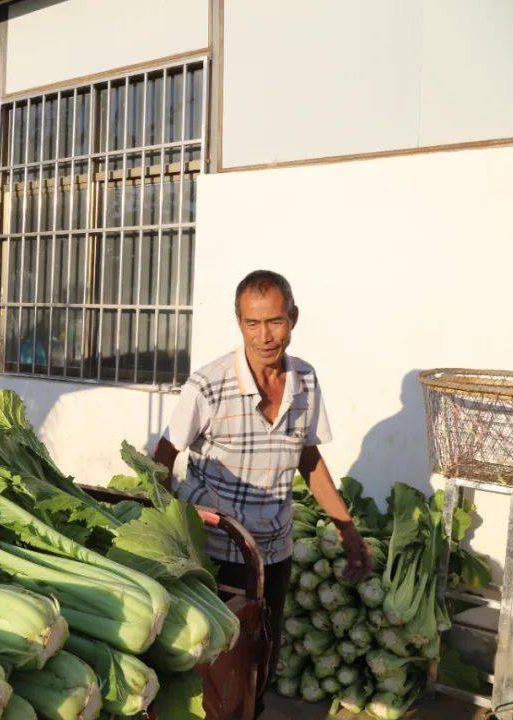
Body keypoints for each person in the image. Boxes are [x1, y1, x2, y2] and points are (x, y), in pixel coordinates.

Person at [153, 269, 372, 705]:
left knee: (261, 662)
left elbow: (308, 459)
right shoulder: (208, 386)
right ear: (239, 323)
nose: (265, 335)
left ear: (293, 317)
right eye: (252, 323)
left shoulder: (305, 381)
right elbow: (162, 460)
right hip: (216, 554)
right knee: (214, 673)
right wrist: (168, 526)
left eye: (275, 321)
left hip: (275, 552)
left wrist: (348, 530)